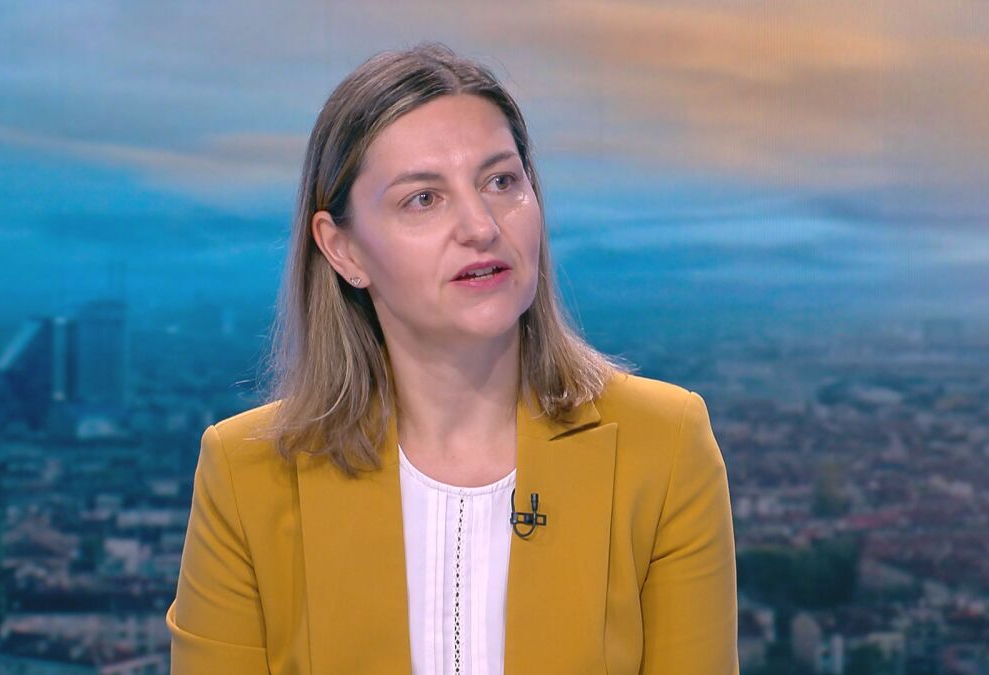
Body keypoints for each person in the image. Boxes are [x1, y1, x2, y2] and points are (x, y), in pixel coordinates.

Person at [165, 41, 738, 674]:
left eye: (501, 182)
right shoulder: (246, 478)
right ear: (342, 250)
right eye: (423, 198)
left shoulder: (663, 448)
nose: (481, 226)